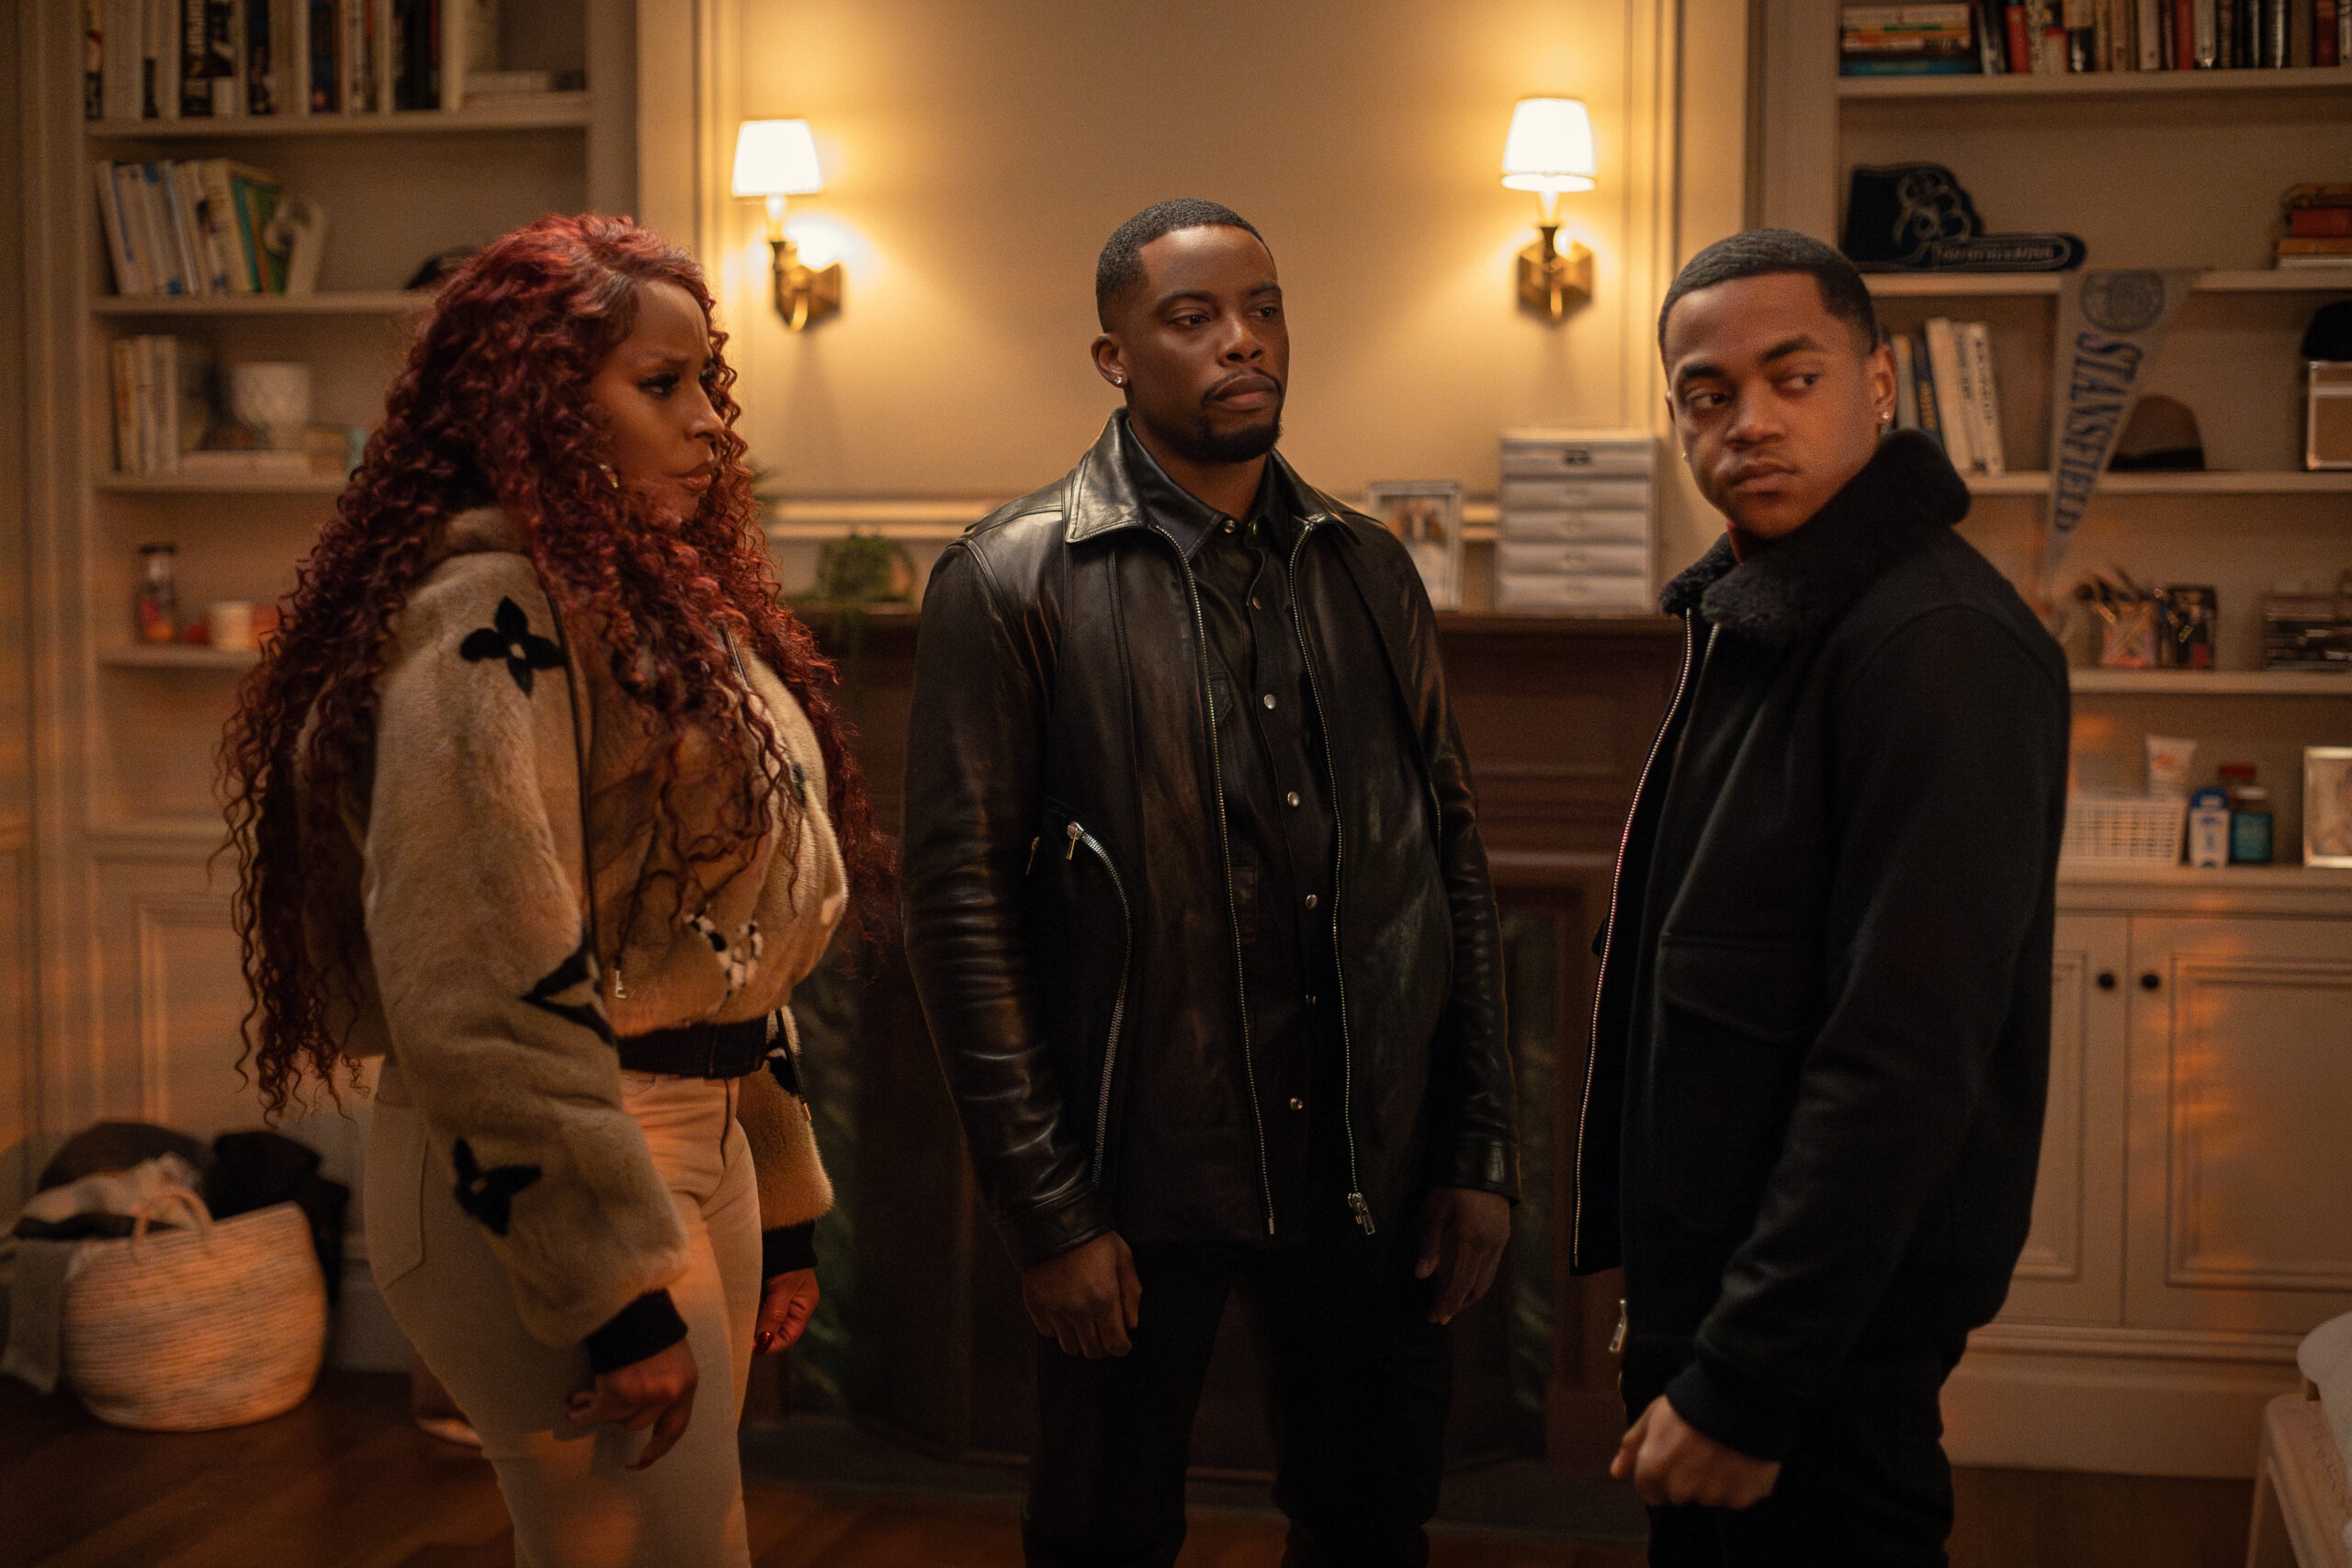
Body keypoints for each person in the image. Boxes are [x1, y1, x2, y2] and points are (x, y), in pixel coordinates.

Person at [221, 214, 889, 1568]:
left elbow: (721, 933)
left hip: (690, 1145)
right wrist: (612, 1290)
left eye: (708, 382)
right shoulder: (489, 624)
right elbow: (475, 987)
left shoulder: (656, 607)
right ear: (539, 407)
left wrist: (777, 1181)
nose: (710, 421)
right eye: (663, 384)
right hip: (555, 1165)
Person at [899, 198, 1518, 1568]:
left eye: (1264, 309)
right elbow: (958, 915)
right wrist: (1047, 1211)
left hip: (1368, 1162)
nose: (1244, 341)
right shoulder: (1011, 579)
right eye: (1194, 318)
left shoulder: (1367, 568)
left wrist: (1477, 1146)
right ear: (1115, 357)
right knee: (1102, 1533)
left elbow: (1449, 860)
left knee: (1373, 1524)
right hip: (1138, 1173)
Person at [1576, 228, 2070, 1566]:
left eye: (1794, 379)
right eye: (1708, 394)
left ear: (1881, 382)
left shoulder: (1936, 642)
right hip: (1733, 1296)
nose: (1749, 422)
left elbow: (1900, 1060)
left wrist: (1749, 1378)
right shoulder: (1768, 614)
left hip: (1819, 1343)